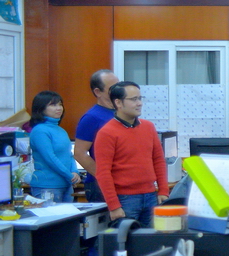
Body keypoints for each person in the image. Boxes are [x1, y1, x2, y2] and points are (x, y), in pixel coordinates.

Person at [94, 81, 169, 227]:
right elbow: (103, 172)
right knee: (126, 240)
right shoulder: (107, 133)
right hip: (125, 199)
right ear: (118, 103)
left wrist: (163, 190)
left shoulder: (148, 127)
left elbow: (158, 160)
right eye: (134, 99)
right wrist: (114, 205)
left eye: (140, 98)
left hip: (151, 196)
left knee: (152, 239)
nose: (139, 103)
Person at [73, 69, 119, 202]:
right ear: (98, 92)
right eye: (112, 88)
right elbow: (79, 153)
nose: (118, 91)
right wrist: (104, 177)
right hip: (100, 186)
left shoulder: (122, 113)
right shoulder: (91, 117)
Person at [27, 91, 80, 203]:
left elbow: (69, 155)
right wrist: (69, 175)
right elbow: (50, 158)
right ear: (41, 108)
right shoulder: (39, 130)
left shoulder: (61, 130)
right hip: (47, 186)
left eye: (60, 104)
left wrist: (75, 172)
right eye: (53, 105)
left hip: (67, 184)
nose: (59, 108)